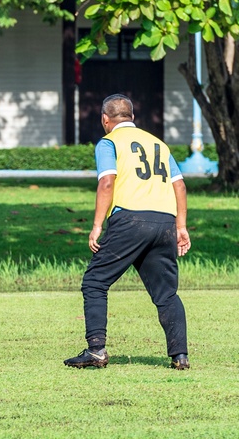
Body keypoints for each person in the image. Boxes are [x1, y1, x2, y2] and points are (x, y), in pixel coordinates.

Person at [64, 94, 190, 370]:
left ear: (105, 120)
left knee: (95, 282)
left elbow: (107, 182)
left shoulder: (109, 143)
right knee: (166, 293)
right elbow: (179, 186)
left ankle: (96, 350)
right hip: (165, 222)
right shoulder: (158, 144)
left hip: (130, 221)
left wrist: (96, 225)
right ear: (132, 117)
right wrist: (181, 226)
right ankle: (180, 356)